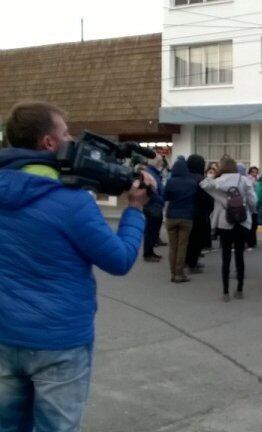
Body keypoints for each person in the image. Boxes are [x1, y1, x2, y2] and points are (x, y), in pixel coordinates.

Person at [0, 101, 153, 430]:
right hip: (60, 342)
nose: (71, 139)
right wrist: (135, 209)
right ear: (49, 143)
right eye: (66, 132)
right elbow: (119, 259)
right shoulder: (71, 202)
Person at [200, 156, 256, 302]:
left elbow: (203, 184)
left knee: (225, 257)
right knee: (239, 256)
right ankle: (240, 290)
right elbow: (253, 201)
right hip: (242, 222)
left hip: (225, 223)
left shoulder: (217, 182)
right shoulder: (244, 180)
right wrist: (249, 210)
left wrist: (213, 174)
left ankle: (225, 293)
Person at [163, 156, 198, 283]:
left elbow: (166, 197)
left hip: (171, 216)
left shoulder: (170, 182)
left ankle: (172, 274)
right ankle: (179, 273)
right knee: (182, 246)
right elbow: (195, 199)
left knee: (173, 247)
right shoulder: (192, 182)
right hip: (186, 217)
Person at [185, 154, 214, 273]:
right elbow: (209, 199)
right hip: (200, 214)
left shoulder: (184, 177)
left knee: (187, 240)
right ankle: (193, 263)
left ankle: (186, 261)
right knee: (196, 240)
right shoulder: (202, 180)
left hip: (185, 213)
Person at [143, 156, 166, 260]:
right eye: (160, 162)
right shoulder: (148, 173)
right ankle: (148, 254)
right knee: (150, 230)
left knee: (153, 230)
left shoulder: (154, 173)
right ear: (156, 163)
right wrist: (160, 199)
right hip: (152, 205)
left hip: (155, 205)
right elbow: (151, 191)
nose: (161, 164)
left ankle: (151, 252)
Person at [246, 166, 260, 249]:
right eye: (253, 172)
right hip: (250, 205)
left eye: (256, 172)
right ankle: (249, 242)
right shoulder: (248, 179)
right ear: (249, 172)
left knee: (254, 225)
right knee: (250, 224)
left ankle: (253, 241)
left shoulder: (258, 179)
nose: (254, 174)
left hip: (256, 205)